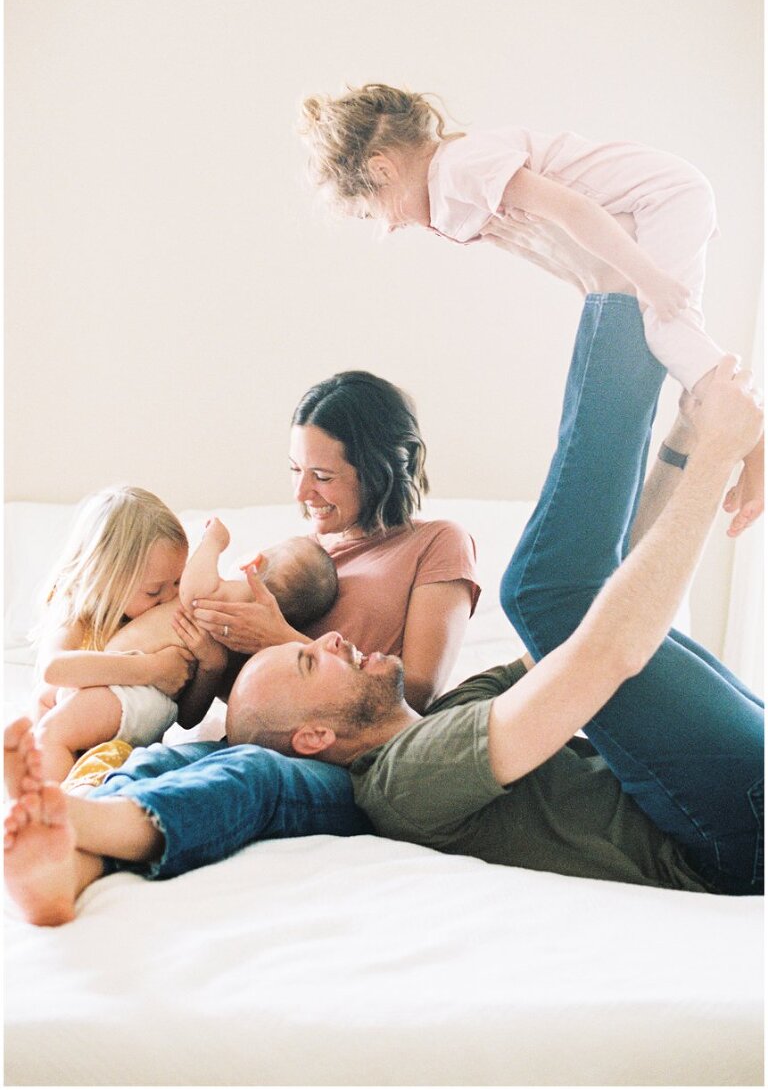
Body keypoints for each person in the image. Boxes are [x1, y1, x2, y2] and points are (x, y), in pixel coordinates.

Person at [4, 294, 762, 924]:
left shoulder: (431, 681)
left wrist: (692, 448)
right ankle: (623, 300)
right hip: (721, 833)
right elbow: (600, 648)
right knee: (537, 596)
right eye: (311, 656)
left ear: (373, 469)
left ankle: (624, 296)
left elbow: (595, 630)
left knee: (549, 601)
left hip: (695, 808)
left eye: (323, 474)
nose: (330, 640)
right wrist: (706, 455)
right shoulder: (406, 773)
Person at [299, 83, 764, 538]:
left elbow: (573, 210)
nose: (386, 227)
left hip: (662, 197)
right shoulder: (454, 197)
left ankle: (754, 438)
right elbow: (557, 250)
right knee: (671, 334)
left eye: (371, 211)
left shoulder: (461, 168)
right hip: (647, 208)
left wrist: (649, 279)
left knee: (667, 330)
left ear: (382, 170)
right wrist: (597, 290)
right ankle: (747, 437)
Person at [190, 370, 480, 713]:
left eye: (322, 476)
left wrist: (279, 638)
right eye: (295, 470)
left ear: (379, 471)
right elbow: (229, 696)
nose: (301, 492)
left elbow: (419, 693)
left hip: (338, 755)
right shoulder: (295, 557)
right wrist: (209, 659)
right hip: (249, 742)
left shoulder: (437, 543)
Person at [33, 488, 338, 782]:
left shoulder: (179, 623)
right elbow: (53, 669)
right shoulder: (79, 614)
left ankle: (51, 812)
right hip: (105, 736)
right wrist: (151, 669)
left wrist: (211, 665)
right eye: (155, 589)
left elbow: (185, 718)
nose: (171, 597)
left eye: (178, 581)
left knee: (51, 733)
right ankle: (55, 785)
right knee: (39, 711)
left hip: (129, 731)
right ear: (105, 576)